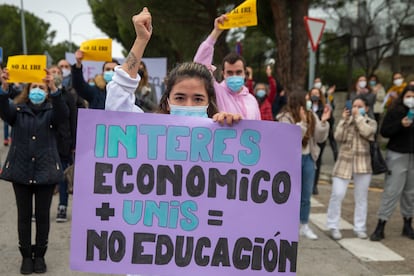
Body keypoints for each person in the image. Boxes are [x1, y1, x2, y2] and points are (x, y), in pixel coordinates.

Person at [104, 8, 240, 276]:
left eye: (198, 99)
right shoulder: (147, 132)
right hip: (150, 255)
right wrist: (141, 40)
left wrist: (234, 132)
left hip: (200, 255)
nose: (189, 104)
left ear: (208, 103)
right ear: (167, 101)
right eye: (180, 97)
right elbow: (117, 104)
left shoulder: (221, 134)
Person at [0, 67, 69, 274]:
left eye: (41, 87)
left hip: (45, 172)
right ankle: (25, 256)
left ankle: (39, 255)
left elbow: (63, 115)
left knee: (42, 216)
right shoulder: (17, 110)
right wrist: (3, 88)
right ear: (27, 89)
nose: (37, 90)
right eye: (34, 87)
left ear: (46, 91)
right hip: (20, 171)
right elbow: (3, 109)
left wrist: (54, 89)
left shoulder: (52, 111)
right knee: (23, 216)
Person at [277, 91, 330, 240]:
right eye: (306, 98)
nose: (309, 101)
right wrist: (302, 123)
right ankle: (286, 225)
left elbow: (319, 137)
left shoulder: (311, 115)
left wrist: (324, 122)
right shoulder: (284, 118)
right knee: (288, 195)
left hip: (308, 158)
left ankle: (304, 225)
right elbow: (291, 138)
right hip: (290, 161)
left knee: (306, 195)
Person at [326, 95, 377, 240]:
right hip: (344, 163)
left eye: (359, 106)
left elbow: (367, 132)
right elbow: (338, 137)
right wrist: (344, 120)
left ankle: (360, 227)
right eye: (354, 106)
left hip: (363, 164)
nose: (356, 109)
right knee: (337, 194)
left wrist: (358, 118)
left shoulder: (371, 122)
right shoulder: (346, 122)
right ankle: (333, 225)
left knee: (361, 197)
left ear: (366, 108)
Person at [193, 14, 260, 120]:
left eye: (238, 72)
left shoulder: (251, 99)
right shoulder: (217, 92)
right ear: (223, 74)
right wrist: (216, 32)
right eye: (230, 72)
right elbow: (199, 67)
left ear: (244, 73)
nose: (234, 76)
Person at [370, 85, 414, 241]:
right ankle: (380, 225)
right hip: (397, 154)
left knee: (410, 192)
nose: (411, 99)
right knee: (391, 191)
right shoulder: (396, 111)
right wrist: (400, 125)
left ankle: (408, 224)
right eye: (408, 96)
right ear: (403, 96)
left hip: (412, 156)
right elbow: (385, 131)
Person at [49, 65, 78, 223]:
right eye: (52, 71)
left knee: (63, 176)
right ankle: (40, 208)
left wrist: (74, 142)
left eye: (58, 72)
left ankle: (62, 206)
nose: (55, 74)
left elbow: (73, 119)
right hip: (46, 142)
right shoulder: (43, 93)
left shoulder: (68, 96)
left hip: (64, 143)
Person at [308, 87, 335, 195]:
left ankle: (314, 184)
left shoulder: (324, 107)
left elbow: (331, 123)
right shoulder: (307, 106)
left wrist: (327, 116)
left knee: (317, 161)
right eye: (313, 93)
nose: (315, 95)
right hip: (308, 137)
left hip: (319, 138)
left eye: (317, 93)